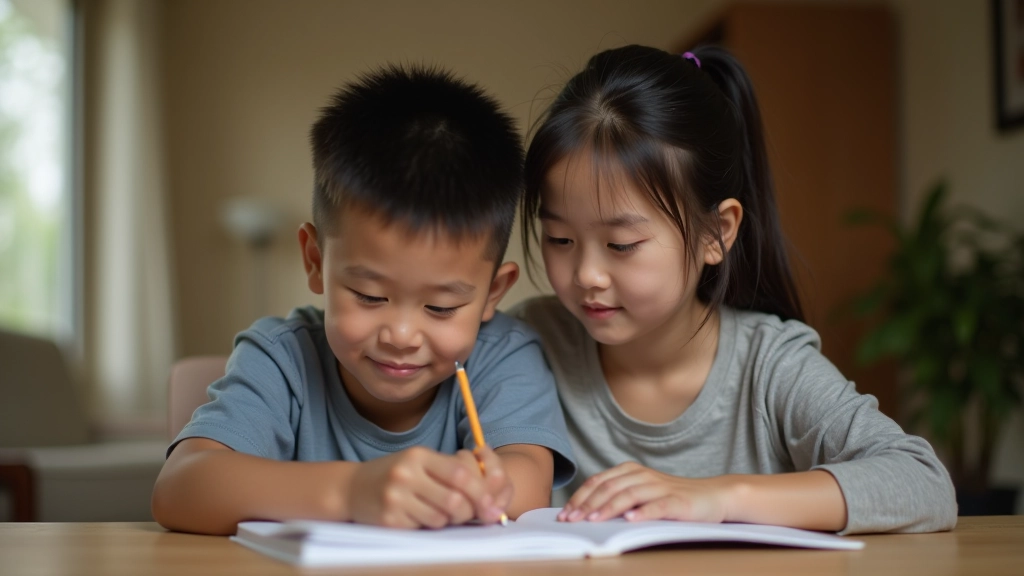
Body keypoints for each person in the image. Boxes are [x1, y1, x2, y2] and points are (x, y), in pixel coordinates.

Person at [512, 45, 956, 534]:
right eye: (559, 239)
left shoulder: (769, 364)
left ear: (715, 233)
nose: (586, 275)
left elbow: (922, 481)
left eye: (621, 245)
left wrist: (719, 496)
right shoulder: (528, 344)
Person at [152, 65, 576, 535]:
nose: (400, 335)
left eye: (440, 308)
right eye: (370, 296)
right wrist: (353, 491)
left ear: (493, 292)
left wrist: (479, 489)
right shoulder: (282, 357)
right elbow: (180, 489)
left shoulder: (502, 355)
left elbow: (525, 488)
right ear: (315, 261)